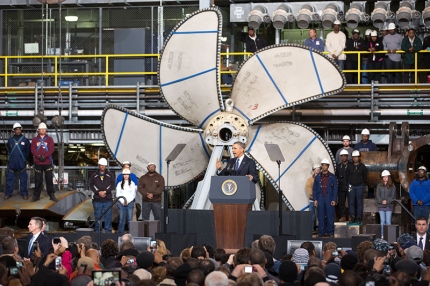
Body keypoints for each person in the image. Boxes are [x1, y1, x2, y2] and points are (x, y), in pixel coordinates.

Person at [30, 122, 57, 202]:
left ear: (46, 130)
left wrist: (44, 156)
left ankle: (51, 194)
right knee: (38, 180)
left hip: (47, 162)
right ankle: (36, 196)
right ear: (38, 130)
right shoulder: (35, 140)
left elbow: (51, 149)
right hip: (38, 163)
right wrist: (38, 156)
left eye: (44, 129)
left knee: (49, 179)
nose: (42, 130)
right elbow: (33, 150)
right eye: (41, 129)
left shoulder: (50, 139)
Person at [5, 122, 30, 200]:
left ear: (21, 130)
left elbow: (28, 151)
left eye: (19, 129)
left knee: (23, 178)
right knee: (10, 178)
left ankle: (24, 193)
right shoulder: (10, 140)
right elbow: (9, 150)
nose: (18, 131)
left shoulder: (25, 140)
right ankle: (8, 193)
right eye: (16, 129)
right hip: (12, 161)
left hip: (21, 161)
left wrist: (24, 159)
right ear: (14, 130)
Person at [89, 157, 115, 233]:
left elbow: (112, 184)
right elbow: (91, 185)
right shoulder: (94, 175)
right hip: (97, 200)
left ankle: (107, 233)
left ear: (106, 166)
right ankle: (97, 232)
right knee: (97, 217)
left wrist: (105, 191)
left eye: (104, 165)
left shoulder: (110, 175)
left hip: (108, 200)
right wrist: (98, 192)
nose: (102, 167)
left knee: (108, 217)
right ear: (98, 166)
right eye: (101, 165)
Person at [313, 159, 338, 238]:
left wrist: (334, 199)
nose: (324, 167)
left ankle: (330, 232)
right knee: (320, 216)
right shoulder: (317, 177)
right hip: (320, 198)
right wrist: (315, 199)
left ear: (328, 166)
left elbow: (335, 189)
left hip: (329, 198)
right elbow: (315, 189)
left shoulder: (332, 177)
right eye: (323, 165)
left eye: (325, 165)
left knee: (330, 216)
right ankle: (321, 232)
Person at [346, 150, 368, 223]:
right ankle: (352, 217)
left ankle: (359, 217)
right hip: (351, 186)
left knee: (359, 202)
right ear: (352, 158)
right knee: (351, 202)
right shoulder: (349, 166)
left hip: (359, 186)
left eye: (357, 157)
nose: (355, 158)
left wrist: (361, 182)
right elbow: (347, 176)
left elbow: (365, 176)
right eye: (354, 157)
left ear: (359, 158)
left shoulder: (362, 167)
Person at [116, 169, 136, 234]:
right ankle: (120, 233)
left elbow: (133, 194)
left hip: (130, 203)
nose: (126, 176)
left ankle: (131, 233)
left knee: (130, 219)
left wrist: (128, 201)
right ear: (123, 175)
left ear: (129, 175)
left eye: (127, 174)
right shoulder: (119, 184)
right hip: (121, 203)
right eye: (125, 174)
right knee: (121, 219)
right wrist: (122, 201)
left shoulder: (132, 184)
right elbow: (118, 194)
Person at [336, 149, 351, 222]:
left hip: (349, 186)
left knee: (351, 202)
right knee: (341, 202)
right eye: (342, 156)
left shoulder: (351, 165)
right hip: (341, 187)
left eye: (345, 156)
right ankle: (343, 216)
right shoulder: (338, 166)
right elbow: (337, 176)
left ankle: (351, 215)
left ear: (347, 157)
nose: (344, 157)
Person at [306, 164, 321, 232]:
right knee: (311, 215)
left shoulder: (322, 178)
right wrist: (314, 195)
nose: (318, 170)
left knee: (319, 215)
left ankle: (319, 228)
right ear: (314, 170)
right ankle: (311, 229)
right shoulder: (310, 179)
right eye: (317, 169)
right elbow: (308, 188)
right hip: (312, 200)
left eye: (319, 169)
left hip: (320, 199)